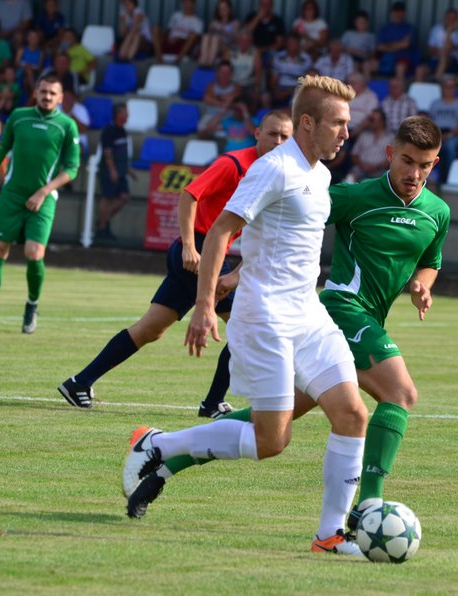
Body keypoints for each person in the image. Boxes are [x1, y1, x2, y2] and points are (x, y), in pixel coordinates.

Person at [127, 116, 449, 549]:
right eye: (407, 161)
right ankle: (368, 509)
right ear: (390, 155)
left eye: (424, 165)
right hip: (341, 311)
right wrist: (240, 272)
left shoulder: (438, 212)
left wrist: (421, 286)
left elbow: (431, 259)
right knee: (400, 393)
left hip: (370, 319)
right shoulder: (354, 196)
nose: (414, 174)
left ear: (436, 163)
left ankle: (165, 461)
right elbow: (287, 226)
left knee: (273, 428)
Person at [122, 76, 369, 557]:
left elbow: (278, 249)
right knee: (270, 441)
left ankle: (329, 536)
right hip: (267, 319)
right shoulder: (273, 169)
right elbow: (219, 233)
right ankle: (158, 443)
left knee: (353, 413)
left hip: (309, 314)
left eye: (347, 124)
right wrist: (204, 304)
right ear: (307, 122)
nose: (346, 133)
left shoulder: (320, 175)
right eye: (338, 123)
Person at [59, 110, 293, 412]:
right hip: (199, 251)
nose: (277, 140)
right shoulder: (233, 164)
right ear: (257, 133)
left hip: (208, 253)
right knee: (246, 328)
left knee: (150, 329)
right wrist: (187, 246)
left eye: (284, 136)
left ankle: (79, 382)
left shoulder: (272, 174)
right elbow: (188, 195)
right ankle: (212, 403)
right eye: (272, 133)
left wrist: (235, 269)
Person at [0, 74, 79, 334]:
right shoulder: (18, 116)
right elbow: (0, 153)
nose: (47, 96)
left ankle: (31, 306)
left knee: (34, 252)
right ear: (36, 93)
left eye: (53, 93)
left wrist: (44, 191)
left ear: (61, 97)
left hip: (44, 197)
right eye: (43, 91)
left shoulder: (66, 125)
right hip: (12, 195)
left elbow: (72, 169)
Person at [96, 103, 132, 241]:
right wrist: (112, 170)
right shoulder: (109, 130)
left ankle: (102, 221)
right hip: (109, 171)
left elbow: (121, 152)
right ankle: (102, 227)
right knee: (107, 198)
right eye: (125, 113)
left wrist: (128, 170)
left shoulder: (122, 130)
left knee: (124, 197)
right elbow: (107, 153)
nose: (128, 116)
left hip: (121, 171)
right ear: (118, 114)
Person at [428, 76, 458, 182]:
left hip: (454, 134)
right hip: (437, 133)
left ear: (456, 89)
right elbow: (430, 122)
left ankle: (447, 178)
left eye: (451, 87)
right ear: (442, 88)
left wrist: (448, 135)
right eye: (446, 87)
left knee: (450, 146)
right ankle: (427, 178)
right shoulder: (435, 103)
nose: (448, 89)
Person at [415, 7, 458, 82]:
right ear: (445, 18)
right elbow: (430, 51)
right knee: (420, 70)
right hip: (435, 59)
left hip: (453, 62)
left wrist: (449, 31)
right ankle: (417, 92)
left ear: (457, 20)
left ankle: (436, 82)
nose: (451, 20)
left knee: (444, 56)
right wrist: (440, 52)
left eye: (453, 18)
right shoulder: (436, 30)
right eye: (449, 18)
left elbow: (449, 48)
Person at [269, 32, 312, 107]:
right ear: (286, 44)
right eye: (289, 43)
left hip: (298, 89)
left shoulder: (306, 59)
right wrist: (276, 91)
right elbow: (273, 79)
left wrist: (290, 91)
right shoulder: (278, 57)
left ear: (298, 45)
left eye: (294, 43)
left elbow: (308, 80)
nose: (291, 45)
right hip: (281, 88)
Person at [347, 108, 391, 181]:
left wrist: (376, 167)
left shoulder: (391, 138)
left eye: (372, 119)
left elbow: (392, 159)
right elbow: (354, 155)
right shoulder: (364, 135)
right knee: (349, 180)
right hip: (360, 170)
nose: (369, 122)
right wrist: (362, 166)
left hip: (380, 172)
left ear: (381, 122)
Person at [375, 1, 415, 79]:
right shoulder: (385, 28)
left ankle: (398, 90)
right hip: (384, 57)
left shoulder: (409, 28)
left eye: (400, 12)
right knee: (368, 65)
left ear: (404, 13)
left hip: (402, 57)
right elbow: (379, 47)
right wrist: (397, 45)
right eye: (396, 11)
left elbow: (406, 44)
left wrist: (388, 46)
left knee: (400, 67)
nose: (398, 14)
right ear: (392, 13)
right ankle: (366, 90)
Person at [198, 0, 240, 68]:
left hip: (227, 45)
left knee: (216, 39)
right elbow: (209, 36)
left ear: (229, 9)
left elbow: (236, 39)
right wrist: (211, 30)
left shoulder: (235, 23)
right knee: (206, 36)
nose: (222, 10)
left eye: (224, 8)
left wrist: (223, 32)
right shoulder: (214, 22)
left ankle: (209, 63)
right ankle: (205, 61)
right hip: (214, 45)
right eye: (220, 9)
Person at [340, 10, 376, 77]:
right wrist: (349, 50)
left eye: (363, 22)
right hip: (348, 58)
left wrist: (361, 52)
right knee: (353, 64)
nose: (361, 24)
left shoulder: (370, 36)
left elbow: (372, 53)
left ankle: (365, 85)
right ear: (355, 23)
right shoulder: (348, 34)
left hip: (362, 59)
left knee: (364, 65)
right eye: (359, 22)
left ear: (367, 23)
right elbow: (339, 47)